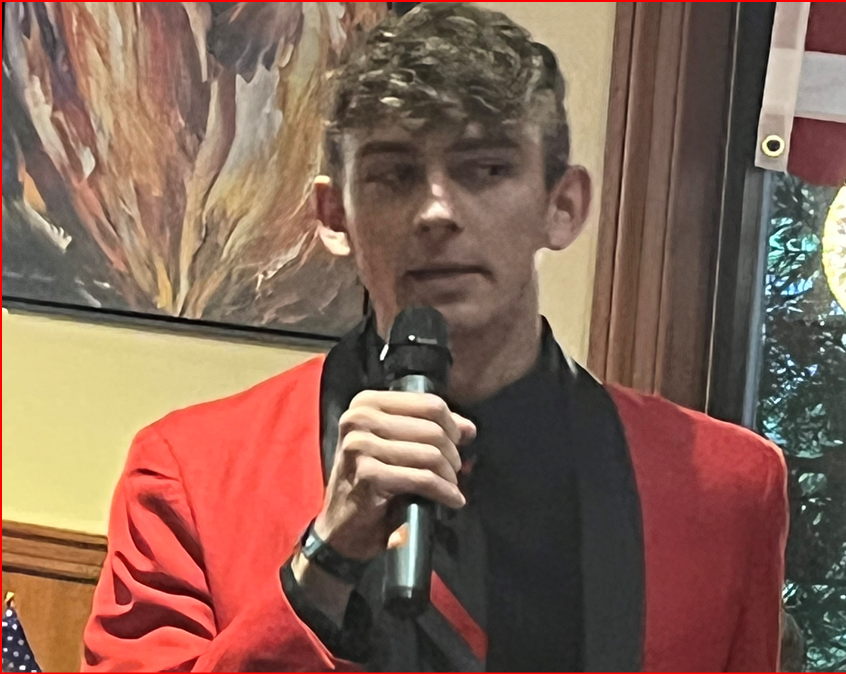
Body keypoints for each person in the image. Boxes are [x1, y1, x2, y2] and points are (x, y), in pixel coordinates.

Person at [81, 4, 788, 671]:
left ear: (563, 205)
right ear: (334, 215)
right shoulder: (189, 476)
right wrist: (324, 561)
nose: (437, 211)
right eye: (394, 175)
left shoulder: (727, 493)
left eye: (487, 169)